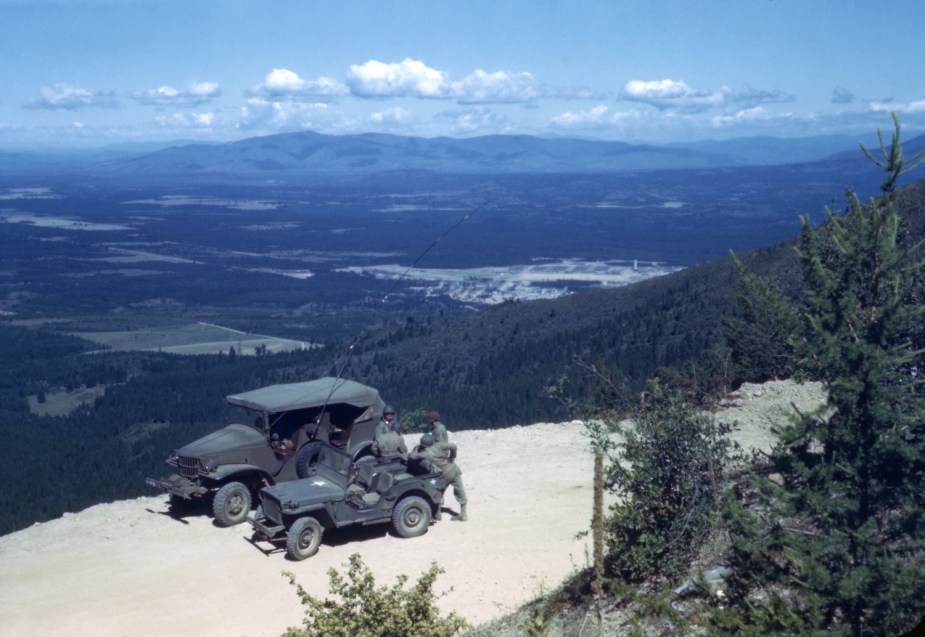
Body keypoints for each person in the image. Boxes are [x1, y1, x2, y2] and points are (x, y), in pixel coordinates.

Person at [408, 433, 467, 522]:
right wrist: (452, 456)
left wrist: (416, 449)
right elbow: (453, 446)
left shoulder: (426, 454)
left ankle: (437, 514)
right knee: (459, 490)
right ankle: (463, 514)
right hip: (454, 469)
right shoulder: (439, 445)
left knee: (438, 491)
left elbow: (412, 456)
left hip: (444, 475)